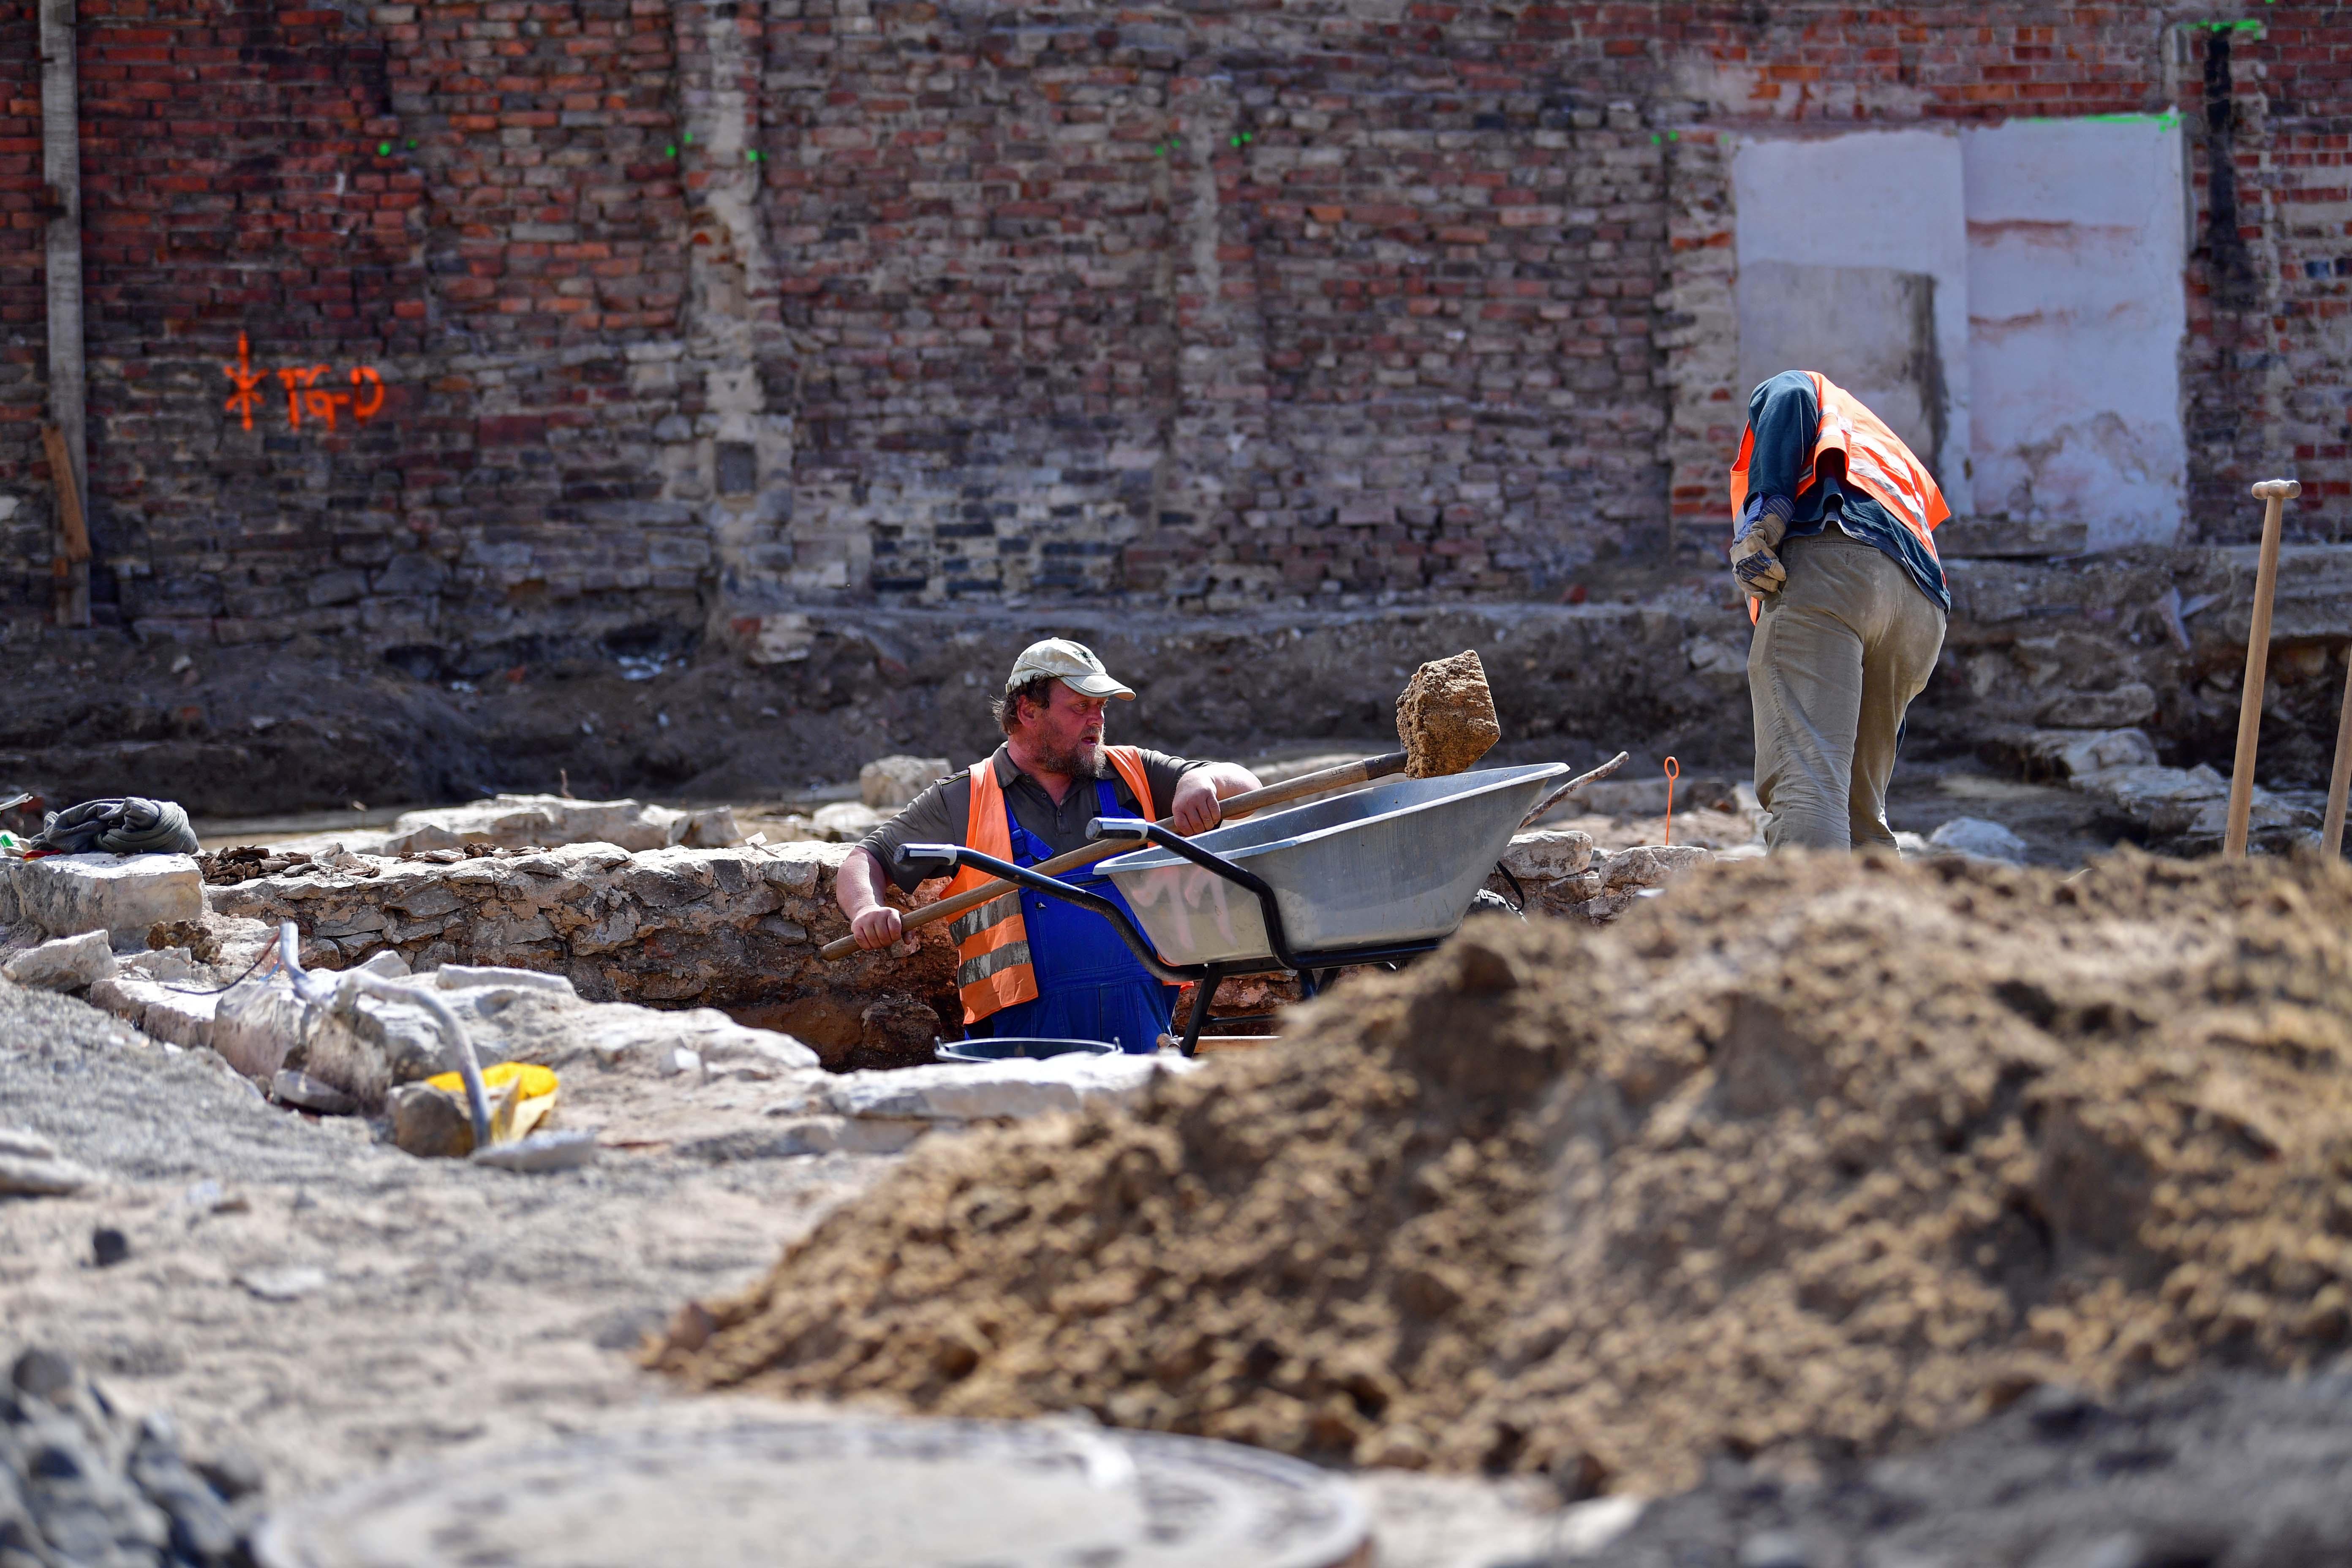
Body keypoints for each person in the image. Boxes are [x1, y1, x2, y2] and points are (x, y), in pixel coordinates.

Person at [837, 638, 1261, 1051]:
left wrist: (1199, 781)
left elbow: (1248, 787)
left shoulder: (1132, 772)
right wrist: (867, 910)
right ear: (1028, 711)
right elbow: (866, 857)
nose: (1096, 720)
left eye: (1101, 707)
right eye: (1080, 707)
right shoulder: (964, 798)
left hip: (1138, 1025)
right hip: (1021, 1040)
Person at [1729, 370, 1951, 852]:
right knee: (1860, 809)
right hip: (1921, 606)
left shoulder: (1803, 386)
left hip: (1836, 570)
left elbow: (1787, 393)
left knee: (1808, 785)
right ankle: (1880, 923)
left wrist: (1761, 528)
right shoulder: (1880, 442)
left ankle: (1811, 925)